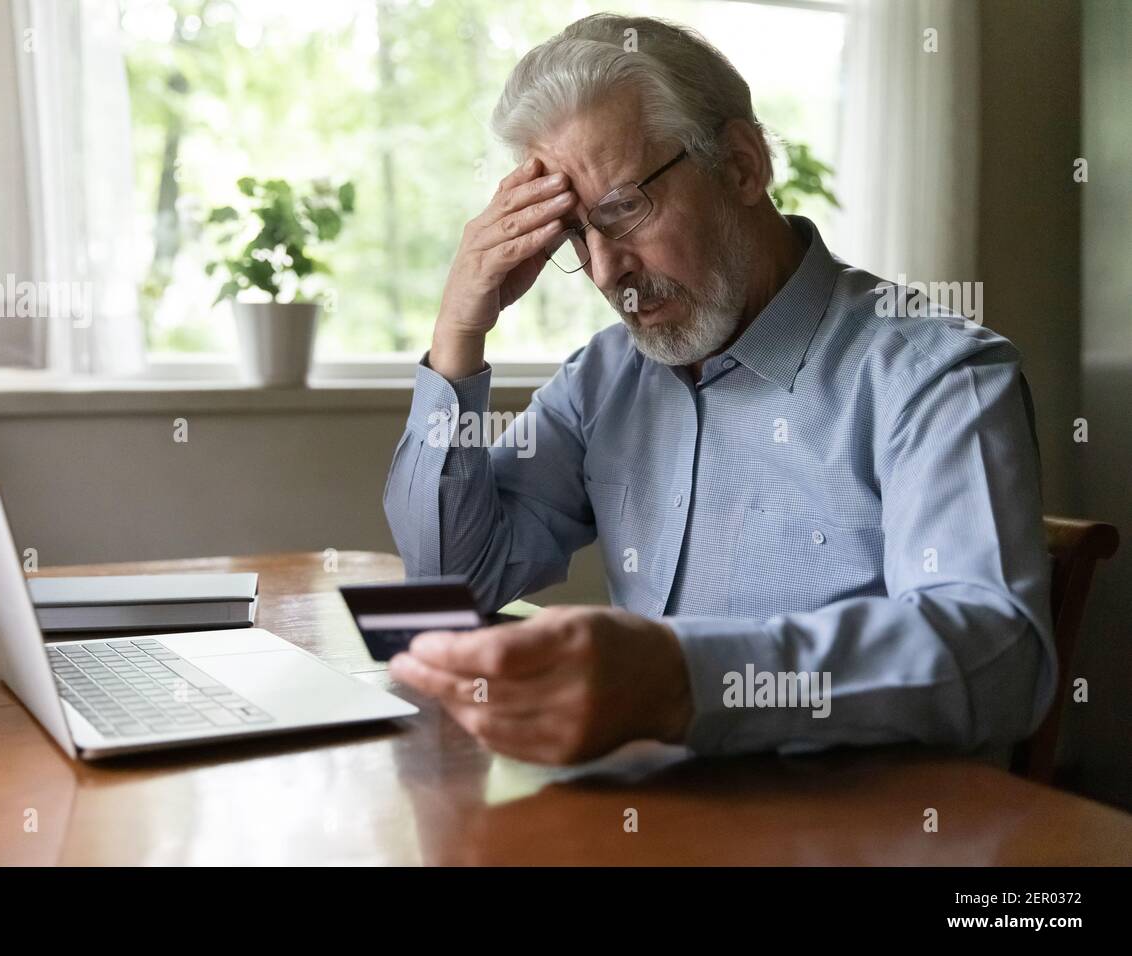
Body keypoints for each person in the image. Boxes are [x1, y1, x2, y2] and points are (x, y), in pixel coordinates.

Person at [383, 13, 1054, 766]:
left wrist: (684, 680)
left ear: (741, 166)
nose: (606, 273)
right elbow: (453, 586)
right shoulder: (603, 380)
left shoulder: (934, 375)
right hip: (643, 819)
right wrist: (456, 338)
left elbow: (997, 659)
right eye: (576, 235)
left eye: (624, 210)